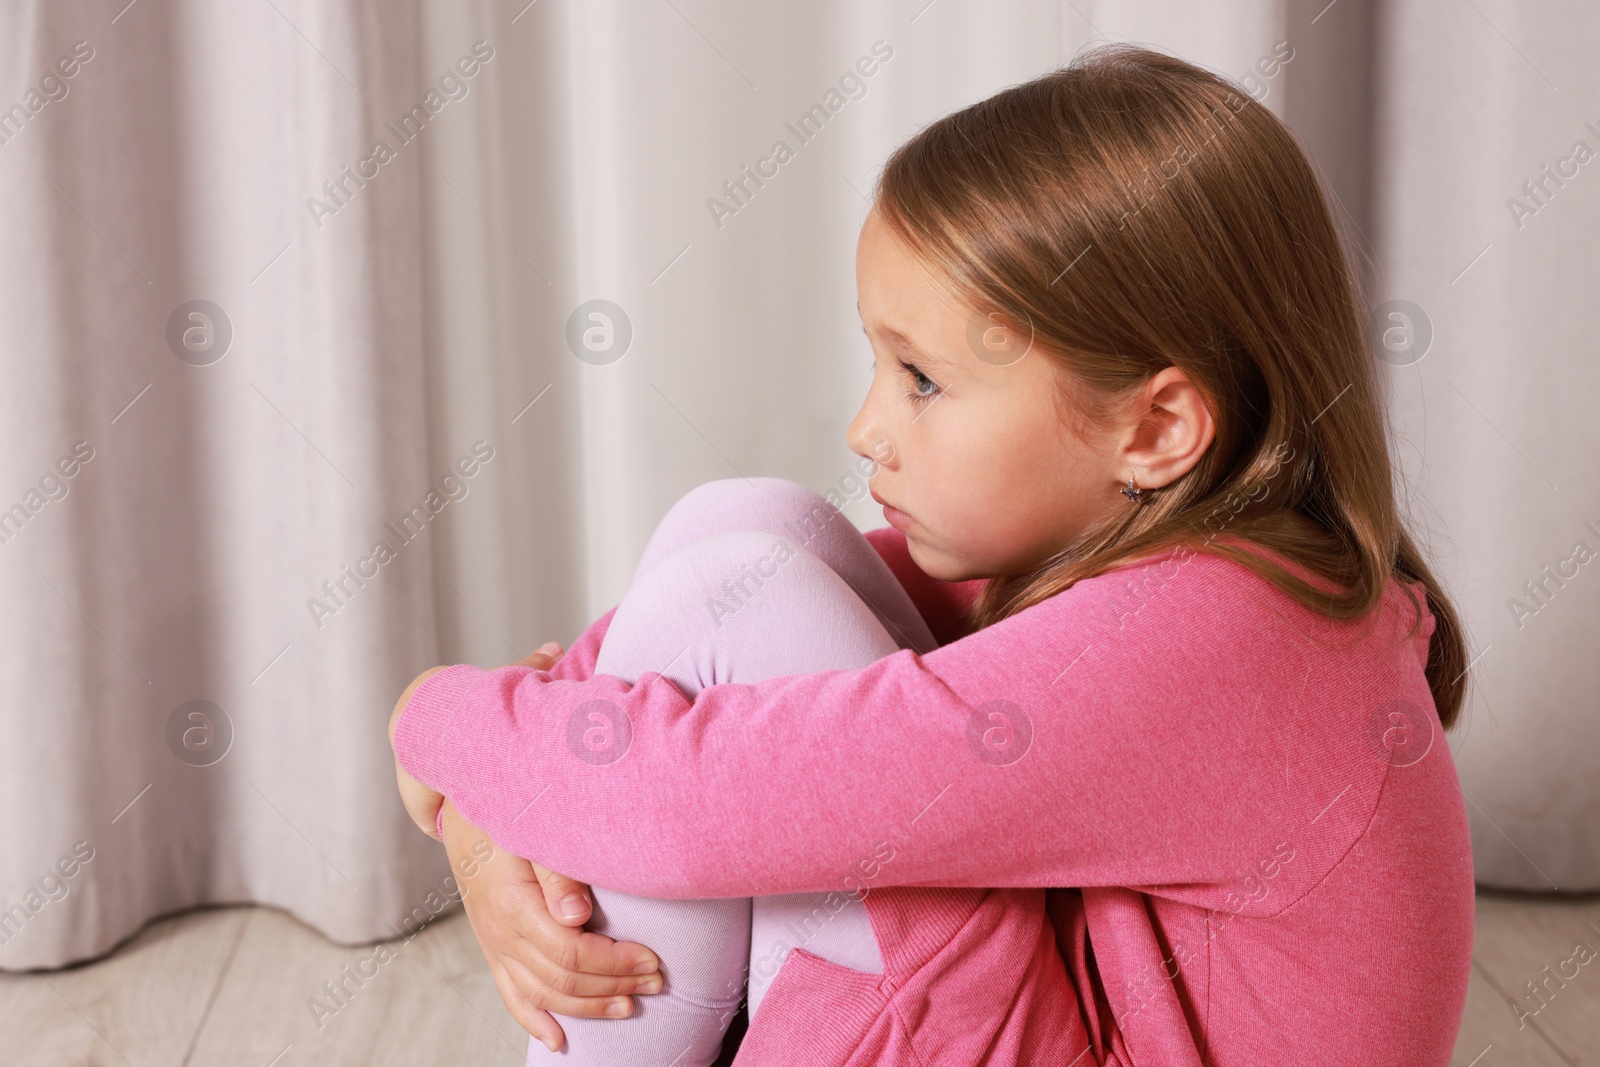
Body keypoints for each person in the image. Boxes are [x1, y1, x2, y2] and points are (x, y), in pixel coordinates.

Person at [390, 42, 1475, 1066]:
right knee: (753, 531)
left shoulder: (1219, 642)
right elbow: (683, 654)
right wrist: (489, 820)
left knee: (733, 601)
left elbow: (684, 804)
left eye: (921, 379)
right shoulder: (1210, 566)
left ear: (1154, 430)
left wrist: (436, 720)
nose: (866, 427)